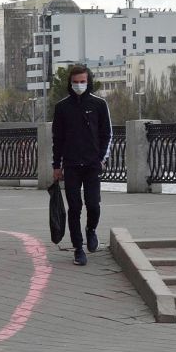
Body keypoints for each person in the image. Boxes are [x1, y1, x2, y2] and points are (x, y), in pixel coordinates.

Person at [52, 65, 112, 266]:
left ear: (89, 81)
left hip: (93, 164)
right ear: (70, 83)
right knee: (75, 207)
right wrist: (56, 165)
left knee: (93, 205)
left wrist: (102, 158)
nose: (79, 85)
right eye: (76, 82)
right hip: (71, 165)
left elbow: (107, 134)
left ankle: (91, 230)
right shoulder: (62, 107)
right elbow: (57, 139)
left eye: (82, 81)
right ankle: (78, 248)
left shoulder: (99, 104)